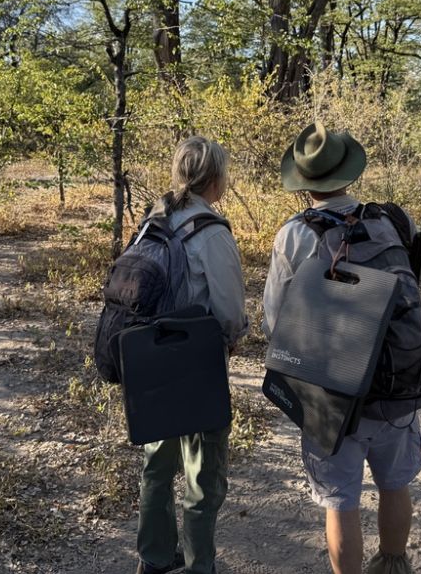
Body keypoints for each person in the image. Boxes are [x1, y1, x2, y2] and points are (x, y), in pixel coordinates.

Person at [262, 123, 421, 574]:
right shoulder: (392, 219)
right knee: (394, 484)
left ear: (304, 182)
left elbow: (276, 320)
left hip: (331, 392)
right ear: (349, 173)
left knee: (340, 501)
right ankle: (392, 564)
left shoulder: (294, 234)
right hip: (397, 383)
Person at [135, 136, 248, 574]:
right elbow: (229, 309)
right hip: (196, 364)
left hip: (151, 359)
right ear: (215, 178)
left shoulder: (153, 217)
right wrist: (233, 337)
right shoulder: (212, 231)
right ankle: (201, 564)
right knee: (203, 476)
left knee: (157, 467)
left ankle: (155, 558)